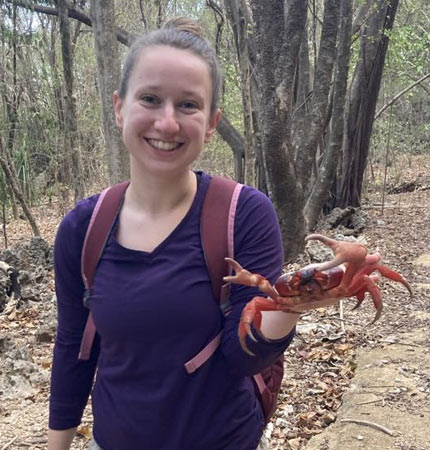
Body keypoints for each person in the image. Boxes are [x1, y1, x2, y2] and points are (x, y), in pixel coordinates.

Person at [48, 17, 335, 450]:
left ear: (212, 121)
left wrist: (290, 306)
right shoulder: (83, 229)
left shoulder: (243, 214)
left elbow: (244, 358)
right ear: (119, 106)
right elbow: (74, 348)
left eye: (188, 105)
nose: (167, 123)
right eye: (150, 98)